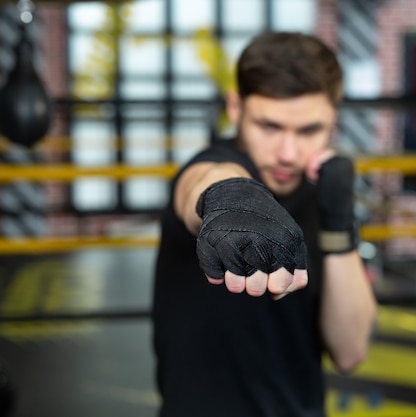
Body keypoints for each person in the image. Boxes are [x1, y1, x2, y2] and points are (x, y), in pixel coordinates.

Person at [152, 31, 377, 417]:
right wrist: (229, 196)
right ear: (235, 109)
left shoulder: (318, 196)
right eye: (270, 127)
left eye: (309, 130)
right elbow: (200, 184)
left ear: (333, 122)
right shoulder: (212, 164)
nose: (288, 154)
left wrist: (338, 223)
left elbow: (350, 352)